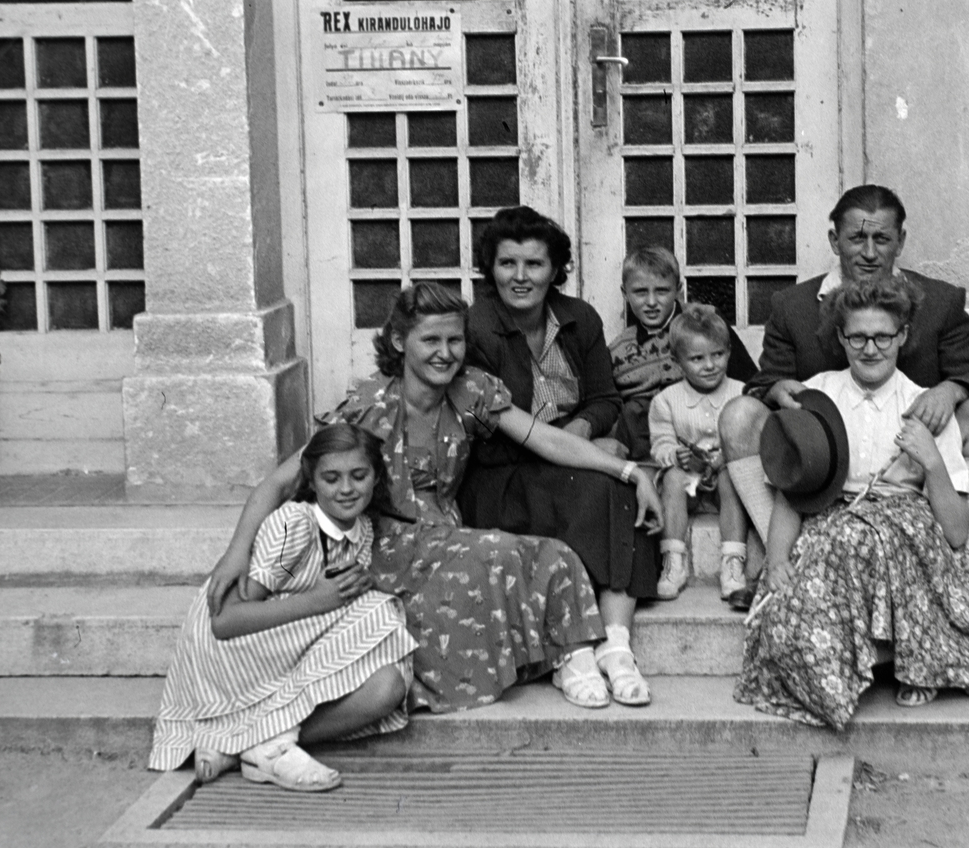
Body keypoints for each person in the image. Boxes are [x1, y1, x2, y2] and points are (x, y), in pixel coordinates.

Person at [207, 283, 665, 714]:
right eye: (431, 341)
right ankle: (561, 655)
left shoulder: (470, 391)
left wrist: (628, 471)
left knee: (554, 554)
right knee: (493, 554)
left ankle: (575, 657)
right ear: (401, 342)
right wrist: (235, 554)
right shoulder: (371, 406)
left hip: (444, 533)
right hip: (385, 547)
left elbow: (545, 439)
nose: (445, 354)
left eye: (455, 340)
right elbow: (280, 482)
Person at [734, 277, 969, 730]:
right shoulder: (817, 396)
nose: (870, 349)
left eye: (883, 336)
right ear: (840, 338)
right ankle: (849, 666)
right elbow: (795, 494)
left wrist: (932, 463)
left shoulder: (923, 406)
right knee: (806, 588)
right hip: (834, 521)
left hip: (905, 528)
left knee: (863, 541)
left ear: (902, 336)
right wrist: (779, 558)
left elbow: (958, 531)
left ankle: (911, 658)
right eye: (857, 337)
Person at [722, 185, 969, 558]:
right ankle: (780, 556)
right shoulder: (792, 306)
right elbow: (762, 382)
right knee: (738, 415)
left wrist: (950, 390)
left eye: (882, 238)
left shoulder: (940, 301)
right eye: (857, 238)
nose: (870, 252)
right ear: (834, 240)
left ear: (901, 241)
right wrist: (778, 390)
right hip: (819, 463)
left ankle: (958, 559)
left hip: (909, 457)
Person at [457, 206, 664, 705]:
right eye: (508, 264)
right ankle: (572, 652)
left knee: (612, 484)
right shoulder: (476, 328)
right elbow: (513, 435)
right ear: (491, 269)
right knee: (597, 482)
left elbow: (604, 400)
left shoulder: (578, 318)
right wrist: (579, 453)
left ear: (555, 270)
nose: (521, 277)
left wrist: (577, 436)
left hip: (564, 454)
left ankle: (616, 645)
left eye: (535, 264)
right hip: (501, 472)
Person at [151, 424, 417, 792]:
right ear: (311, 479)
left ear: (376, 477)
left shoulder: (360, 531)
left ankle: (247, 743)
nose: (346, 489)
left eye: (359, 476)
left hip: (280, 646)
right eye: (331, 478)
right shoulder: (296, 530)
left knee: (388, 685)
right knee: (378, 613)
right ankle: (269, 747)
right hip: (230, 654)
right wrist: (319, 601)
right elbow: (225, 621)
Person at [607, 245, 756, 461]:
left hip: (710, 435)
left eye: (662, 291)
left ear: (679, 290)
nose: (651, 302)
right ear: (625, 293)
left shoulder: (705, 323)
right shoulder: (618, 349)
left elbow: (748, 381)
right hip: (651, 448)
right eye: (640, 292)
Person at [647, 303, 748, 602]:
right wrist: (673, 455)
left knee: (733, 477)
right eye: (697, 358)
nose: (710, 365)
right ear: (677, 361)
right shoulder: (666, 401)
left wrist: (727, 458)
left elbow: (749, 443)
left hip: (722, 483)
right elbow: (661, 443)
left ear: (729, 352)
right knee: (674, 479)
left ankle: (732, 562)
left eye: (718, 355)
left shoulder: (740, 393)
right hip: (689, 483)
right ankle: (674, 559)